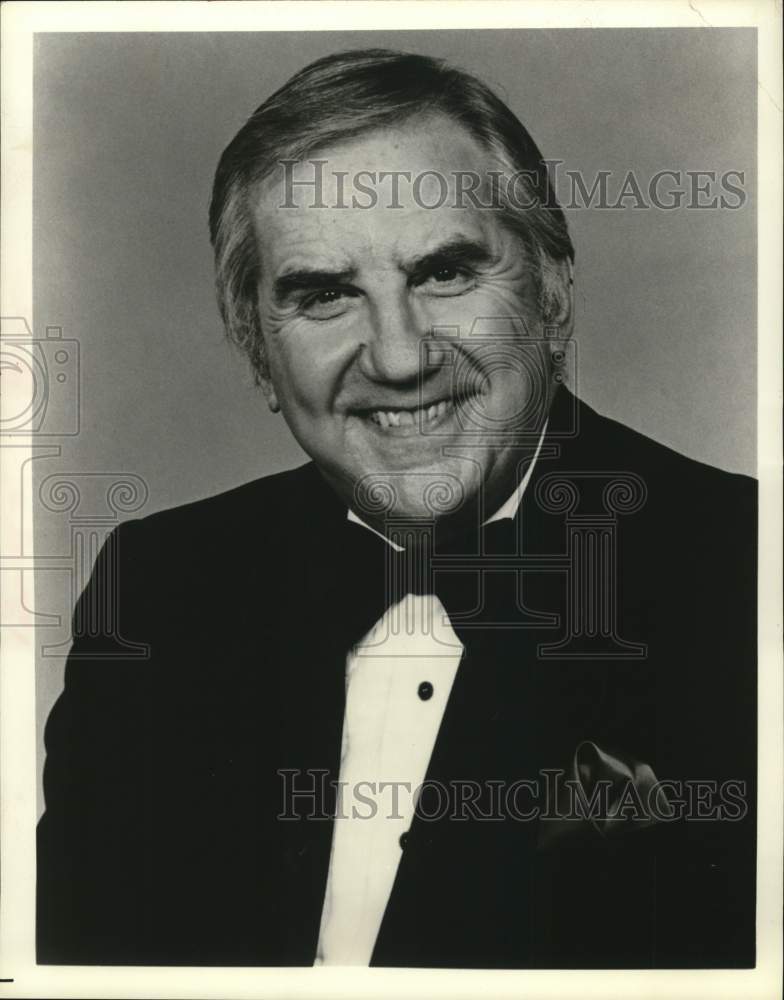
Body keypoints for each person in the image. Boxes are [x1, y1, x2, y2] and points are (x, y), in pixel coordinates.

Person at [37, 48, 756, 969]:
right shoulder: (159, 590)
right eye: (326, 294)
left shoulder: (744, 571)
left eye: (445, 274)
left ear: (553, 292)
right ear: (258, 352)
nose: (401, 356)